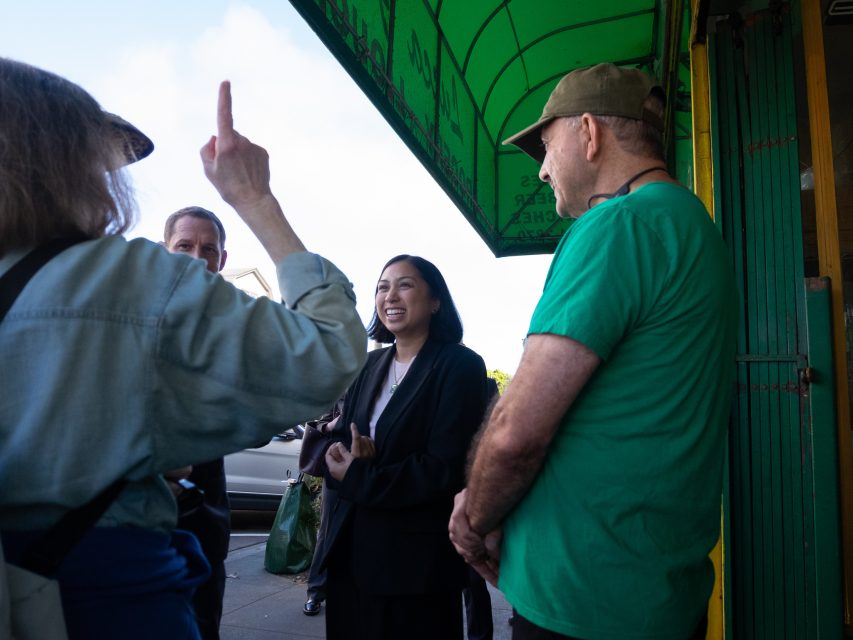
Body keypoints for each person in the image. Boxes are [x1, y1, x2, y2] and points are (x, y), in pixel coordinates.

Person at [0, 58, 367, 640]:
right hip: (107, 596)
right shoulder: (126, 283)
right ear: (64, 164)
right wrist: (254, 197)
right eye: (100, 161)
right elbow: (326, 353)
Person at [449, 63, 738, 640]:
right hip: (659, 590)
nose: (542, 171)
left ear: (588, 132)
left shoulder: (618, 226)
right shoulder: (694, 226)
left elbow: (516, 433)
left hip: (583, 597)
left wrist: (474, 520)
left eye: (546, 147)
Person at [317, 255, 489, 640]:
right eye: (382, 286)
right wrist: (338, 456)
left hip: (413, 564)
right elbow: (345, 435)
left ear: (435, 301)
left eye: (405, 284)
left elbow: (444, 468)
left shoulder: (459, 366)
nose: (390, 295)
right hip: (353, 553)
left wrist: (361, 475)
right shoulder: (368, 364)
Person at [163, 206, 230, 640]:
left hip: (205, 513)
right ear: (164, 251)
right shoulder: (130, 316)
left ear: (222, 260)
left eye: (208, 249)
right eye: (184, 246)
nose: (196, 257)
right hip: (137, 520)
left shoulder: (235, 325)